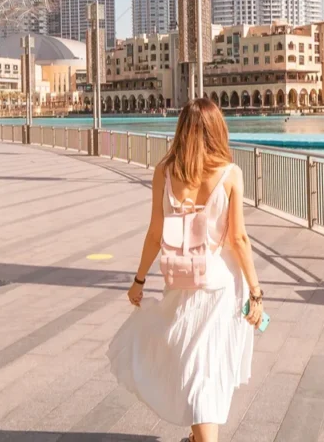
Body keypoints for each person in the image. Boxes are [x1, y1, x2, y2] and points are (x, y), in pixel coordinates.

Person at [107, 98, 263, 442]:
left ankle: (196, 439)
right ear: (217, 130)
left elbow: (154, 233)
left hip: (179, 281)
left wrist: (139, 279)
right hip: (219, 287)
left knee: (190, 362)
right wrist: (256, 291)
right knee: (205, 369)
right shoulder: (230, 174)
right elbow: (238, 238)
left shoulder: (164, 171)